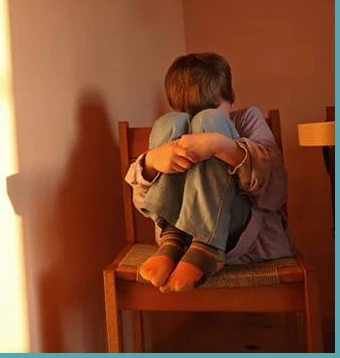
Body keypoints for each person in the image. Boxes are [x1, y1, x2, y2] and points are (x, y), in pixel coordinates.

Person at [124, 52, 294, 293]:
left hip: (241, 234)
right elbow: (143, 203)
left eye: (209, 110)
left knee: (211, 122)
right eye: (192, 115)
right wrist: (153, 161)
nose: (196, 123)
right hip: (180, 243)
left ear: (231, 100)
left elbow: (276, 190)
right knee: (168, 123)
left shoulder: (247, 119)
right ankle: (173, 237)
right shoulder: (175, 126)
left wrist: (219, 145)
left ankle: (208, 246)